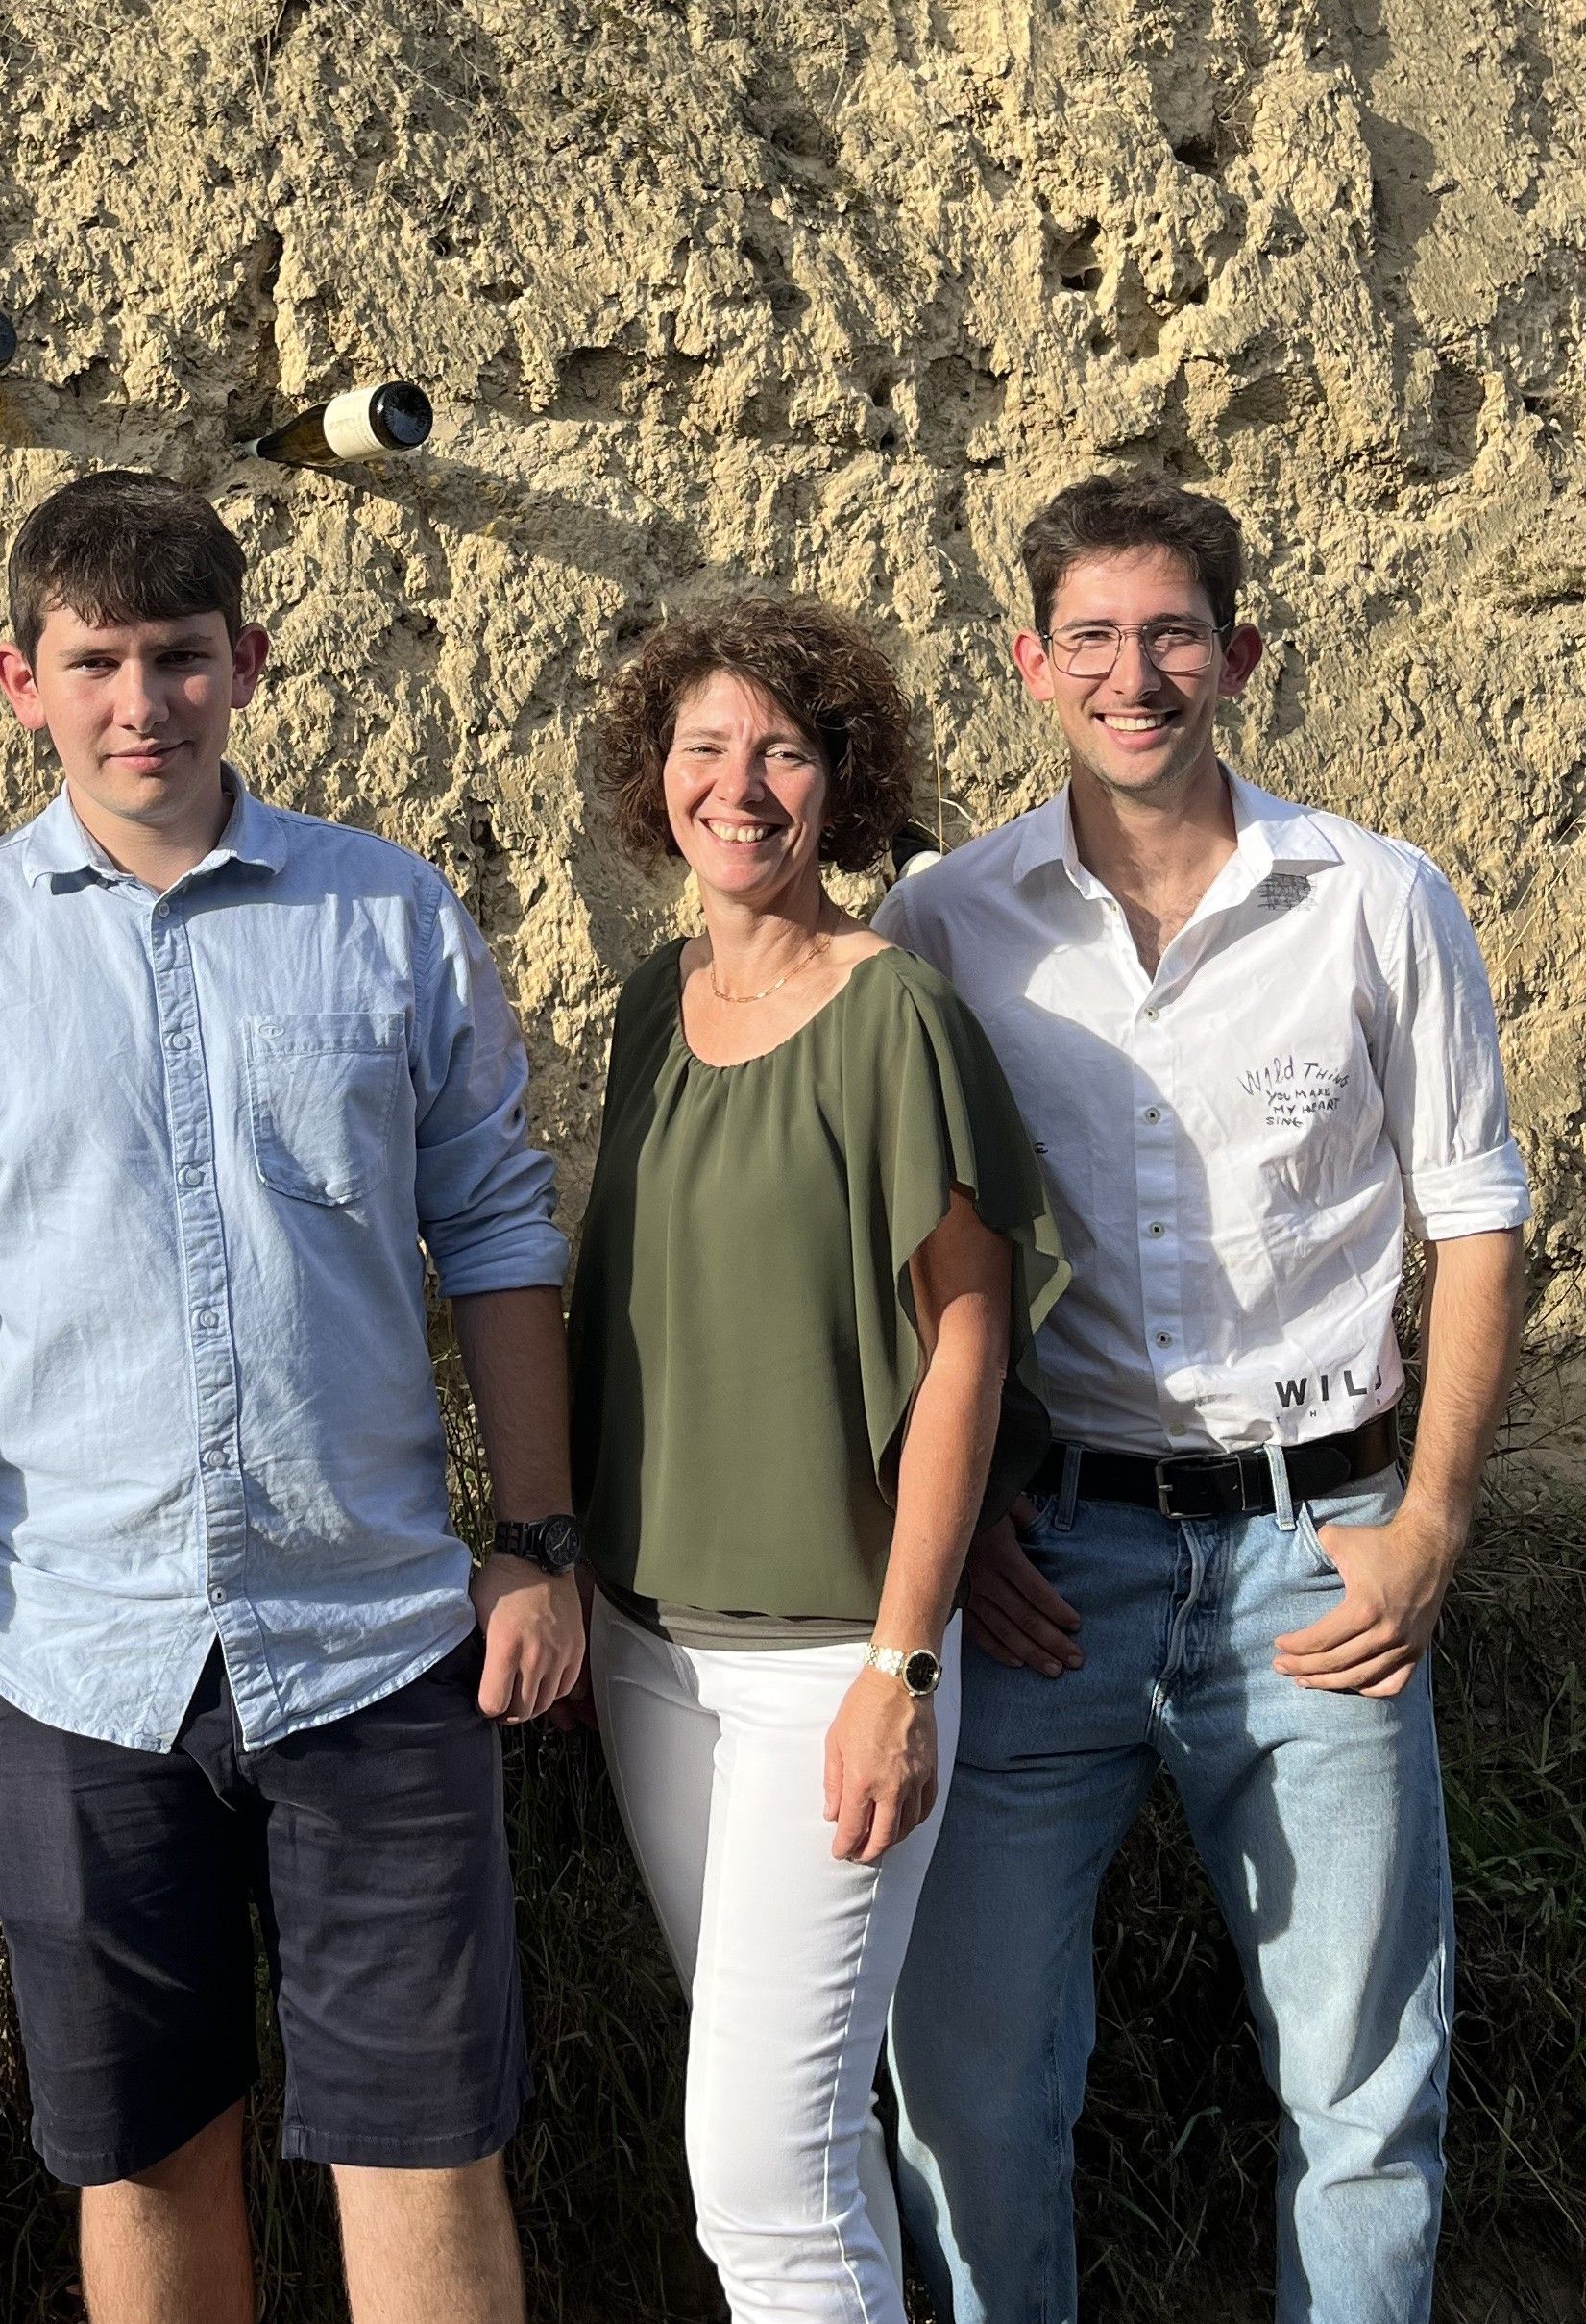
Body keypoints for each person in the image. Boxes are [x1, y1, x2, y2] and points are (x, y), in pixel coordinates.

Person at [0, 469, 583, 2324]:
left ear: (250, 660)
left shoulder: (386, 916)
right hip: (70, 1649)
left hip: (379, 1639)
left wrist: (537, 1543)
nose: (141, 703)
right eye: (97, 662)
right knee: (148, 2155)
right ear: (20, 678)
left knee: (426, 2152)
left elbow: (493, 1228)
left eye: (179, 657)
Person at [876, 470, 1532, 2324]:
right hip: (1047, 1575)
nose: (1132, 672)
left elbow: (1476, 1220)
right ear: (1030, 664)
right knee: (970, 2090)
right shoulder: (952, 922)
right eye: (1090, 636)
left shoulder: (1375, 900)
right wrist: (971, 1514)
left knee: (1364, 2087)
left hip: (1320, 1564)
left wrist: (1428, 1531)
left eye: (1170, 633)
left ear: (1236, 654)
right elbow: (916, 1255)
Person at [567, 599, 1067, 2323]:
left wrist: (901, 1665)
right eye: (705, 746)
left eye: (783, 748)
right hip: (654, 1654)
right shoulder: (655, 1007)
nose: (741, 783)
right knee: (806, 2132)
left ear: (841, 783)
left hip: (827, 1673)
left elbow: (967, 1349)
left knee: (758, 2184)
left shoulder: (893, 1016)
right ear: (657, 778)